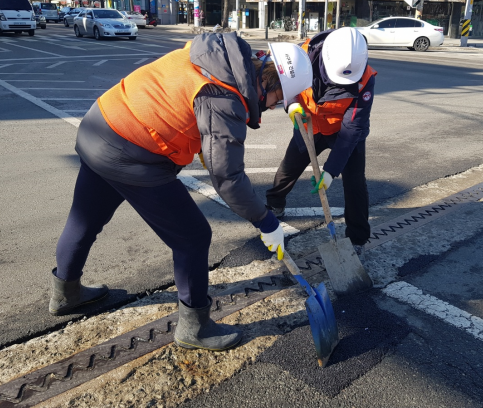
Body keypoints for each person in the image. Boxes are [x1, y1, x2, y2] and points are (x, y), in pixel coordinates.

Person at [49, 32, 313, 352]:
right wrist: (266, 221)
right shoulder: (224, 98)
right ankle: (195, 328)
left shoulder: (213, 56)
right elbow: (227, 178)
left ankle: (65, 293)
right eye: (278, 101)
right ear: (270, 87)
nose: (274, 108)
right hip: (133, 152)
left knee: (86, 220)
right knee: (192, 236)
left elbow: (185, 106)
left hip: (99, 125)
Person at [265, 27, 376, 253]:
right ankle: (275, 203)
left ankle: (357, 238)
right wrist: (292, 104)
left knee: (355, 183)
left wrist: (331, 170)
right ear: (324, 56)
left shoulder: (364, 79)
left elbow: (353, 126)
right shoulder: (301, 56)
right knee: (288, 169)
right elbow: (286, 85)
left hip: (343, 135)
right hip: (308, 125)